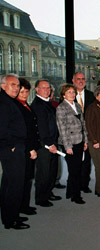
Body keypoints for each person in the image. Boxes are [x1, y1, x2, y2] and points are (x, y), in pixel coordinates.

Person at [0, 74, 29, 230]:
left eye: (18, 85)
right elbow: (2, 127)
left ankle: (9, 215)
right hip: (11, 149)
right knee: (14, 185)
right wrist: (10, 145)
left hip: (13, 147)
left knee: (9, 183)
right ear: (3, 86)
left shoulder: (8, 101)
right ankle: (11, 220)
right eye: (13, 85)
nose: (16, 88)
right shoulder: (3, 103)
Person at [56, 84, 88, 204]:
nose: (72, 94)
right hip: (69, 143)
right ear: (63, 94)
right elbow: (62, 129)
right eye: (69, 92)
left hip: (80, 140)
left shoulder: (78, 106)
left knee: (77, 168)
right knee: (74, 170)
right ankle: (76, 195)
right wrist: (67, 146)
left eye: (73, 92)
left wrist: (86, 140)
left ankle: (70, 191)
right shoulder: (61, 108)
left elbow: (83, 124)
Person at [31, 79, 60, 207]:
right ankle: (41, 198)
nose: (47, 90)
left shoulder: (47, 103)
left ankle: (48, 193)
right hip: (44, 144)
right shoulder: (37, 105)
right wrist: (49, 144)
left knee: (52, 170)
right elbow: (41, 128)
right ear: (37, 89)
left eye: (48, 88)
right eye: (43, 88)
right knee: (44, 172)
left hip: (52, 142)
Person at [14, 78, 40, 215]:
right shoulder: (17, 107)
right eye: (21, 92)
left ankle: (24, 205)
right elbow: (23, 131)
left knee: (28, 179)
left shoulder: (26, 105)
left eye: (26, 91)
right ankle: (19, 207)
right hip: (24, 149)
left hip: (30, 148)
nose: (24, 94)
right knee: (22, 180)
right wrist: (30, 149)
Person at [72, 72, 95, 194]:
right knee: (75, 162)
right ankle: (74, 186)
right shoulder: (68, 96)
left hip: (88, 133)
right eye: (78, 79)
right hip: (74, 134)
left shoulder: (91, 96)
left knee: (87, 161)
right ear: (73, 80)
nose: (81, 81)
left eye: (82, 79)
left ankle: (84, 184)